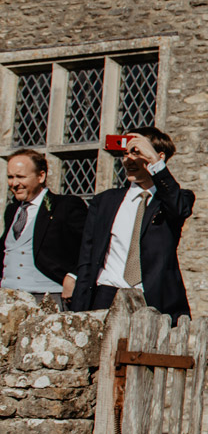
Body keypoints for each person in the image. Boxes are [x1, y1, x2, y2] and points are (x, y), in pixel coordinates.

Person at [70, 128, 194, 320]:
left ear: (158, 157)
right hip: (106, 295)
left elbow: (179, 208)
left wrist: (154, 161)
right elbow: (87, 257)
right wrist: (78, 312)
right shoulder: (105, 202)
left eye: (136, 152)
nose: (128, 159)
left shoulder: (174, 199)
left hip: (152, 298)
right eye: (125, 153)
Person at [3, 149, 86, 306]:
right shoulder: (12, 210)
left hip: (47, 297)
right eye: (10, 177)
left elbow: (91, 246)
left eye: (20, 177)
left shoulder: (65, 206)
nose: (14, 183)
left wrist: (74, 276)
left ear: (41, 176)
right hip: (8, 298)